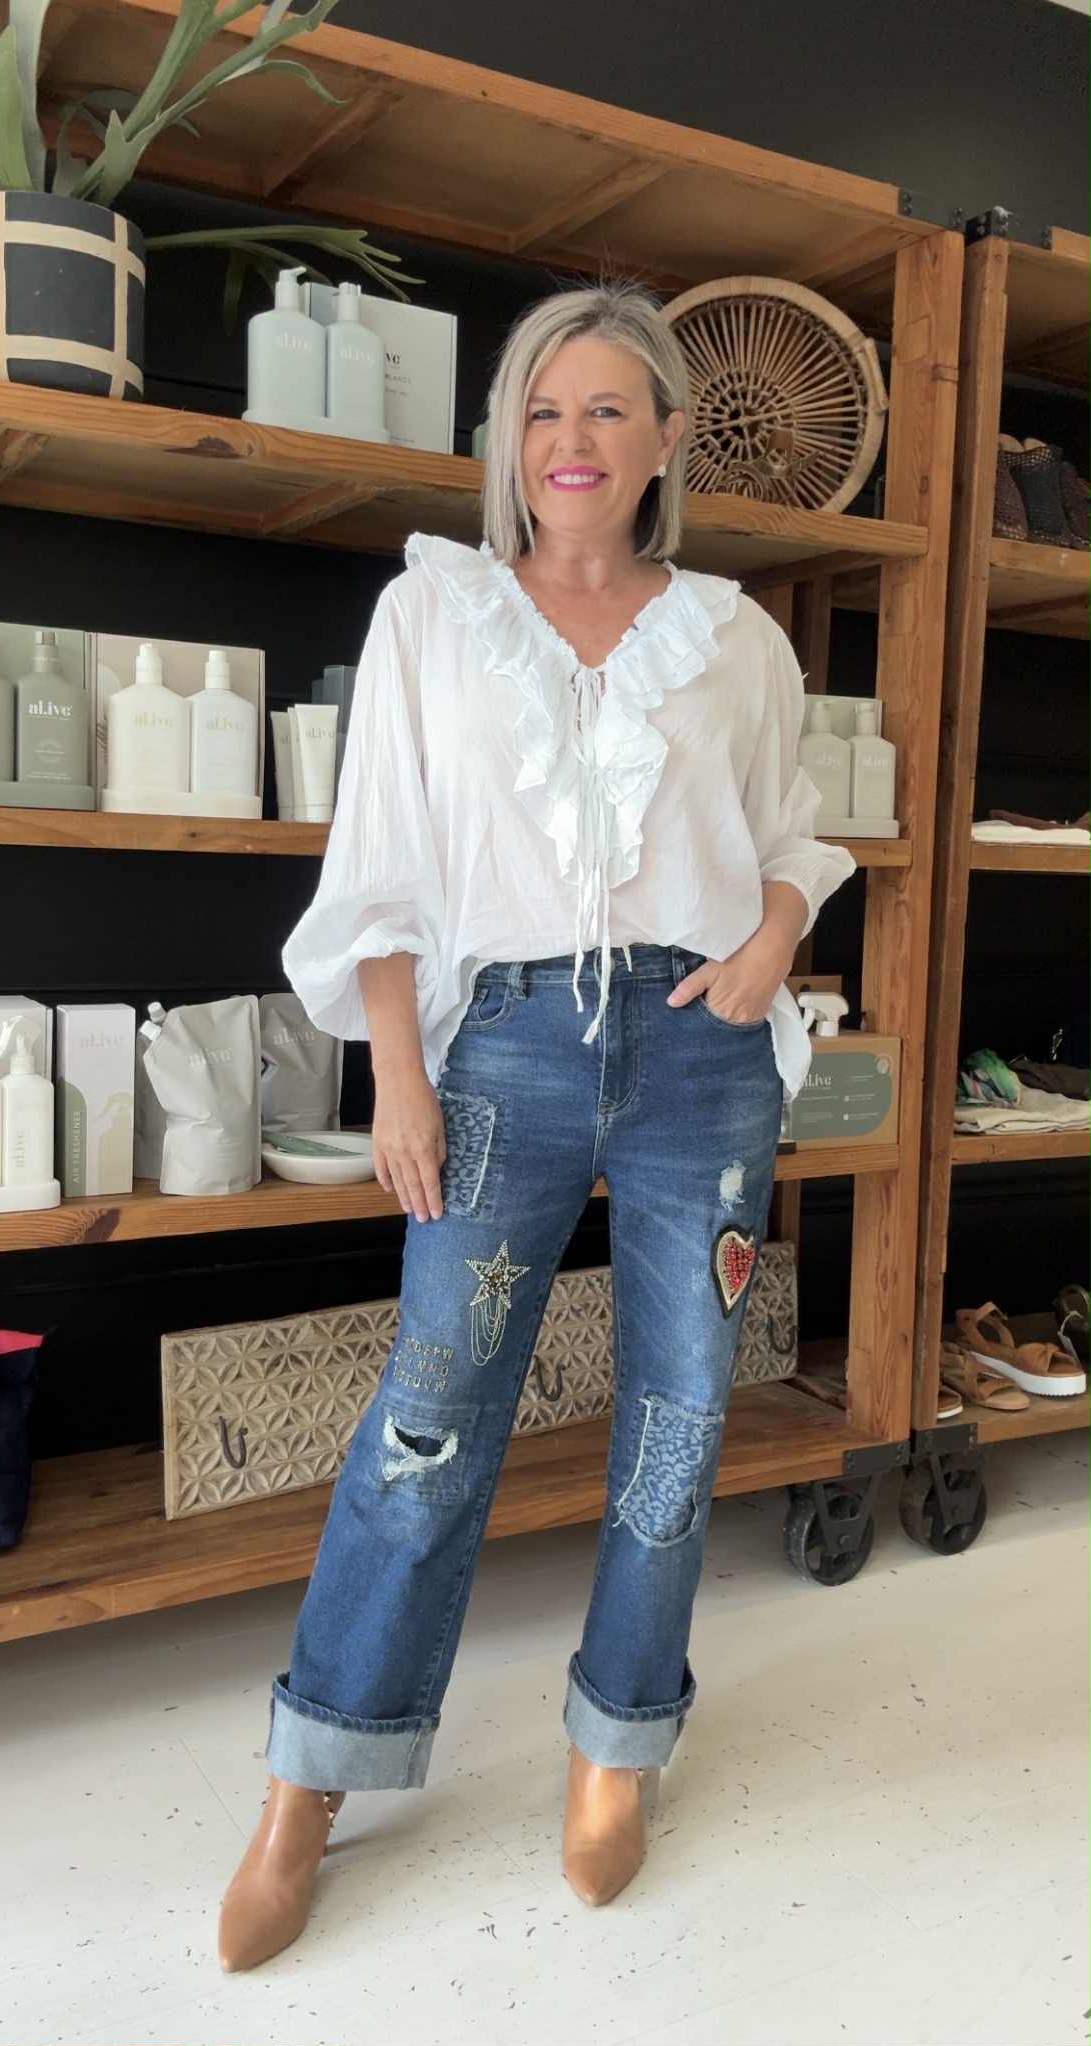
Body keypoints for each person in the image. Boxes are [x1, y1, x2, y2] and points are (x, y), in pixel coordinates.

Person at [217, 282, 857, 1970]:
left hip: (703, 1049)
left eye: (605, 410)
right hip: (500, 1046)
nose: (569, 441)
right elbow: (376, 866)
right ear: (509, 438)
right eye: (541, 411)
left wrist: (774, 936)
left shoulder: (732, 637)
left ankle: (614, 1742)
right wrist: (397, 1071)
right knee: (430, 1413)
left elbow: (791, 835)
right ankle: (313, 1770)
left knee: (679, 1414)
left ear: (664, 441)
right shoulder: (436, 617)